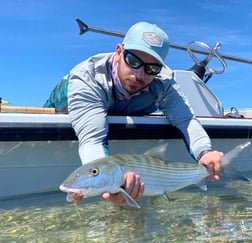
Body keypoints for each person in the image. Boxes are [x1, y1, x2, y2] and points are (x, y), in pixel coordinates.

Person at [44, 21, 223, 207]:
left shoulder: (164, 83)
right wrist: (107, 184)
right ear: (119, 52)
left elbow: (185, 120)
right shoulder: (87, 77)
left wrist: (205, 152)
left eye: (152, 68)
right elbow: (92, 139)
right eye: (134, 61)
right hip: (73, 109)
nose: (139, 74)